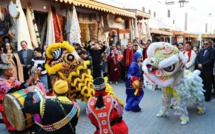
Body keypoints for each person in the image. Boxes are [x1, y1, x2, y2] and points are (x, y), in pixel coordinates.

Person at [0, 62, 35, 133]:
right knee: (11, 118)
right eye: (11, 70)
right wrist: (28, 83)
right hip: (4, 104)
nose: (13, 71)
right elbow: (12, 91)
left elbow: (21, 86)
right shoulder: (1, 82)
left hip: (15, 100)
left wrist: (29, 81)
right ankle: (12, 129)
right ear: (6, 73)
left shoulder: (12, 79)